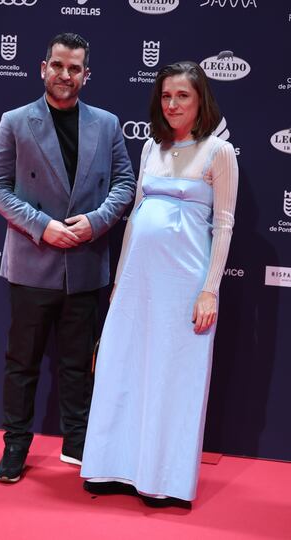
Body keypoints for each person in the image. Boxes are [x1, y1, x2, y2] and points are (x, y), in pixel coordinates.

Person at [80, 61, 238, 508]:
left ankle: (160, 479)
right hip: (136, 282)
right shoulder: (151, 146)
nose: (172, 104)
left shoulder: (218, 153)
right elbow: (134, 217)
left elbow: (223, 226)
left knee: (173, 378)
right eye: (166, 96)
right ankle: (111, 468)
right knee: (122, 369)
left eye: (182, 96)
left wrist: (210, 289)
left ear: (200, 99)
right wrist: (118, 284)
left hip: (184, 284)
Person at [0, 32, 135, 483]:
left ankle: (78, 444)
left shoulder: (107, 124)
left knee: (78, 365)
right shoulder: (14, 121)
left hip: (86, 265)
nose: (65, 75)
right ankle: (15, 446)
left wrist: (96, 221)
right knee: (22, 363)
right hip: (32, 264)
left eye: (75, 68)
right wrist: (42, 225)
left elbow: (126, 184)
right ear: (42, 67)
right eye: (58, 66)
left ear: (86, 75)